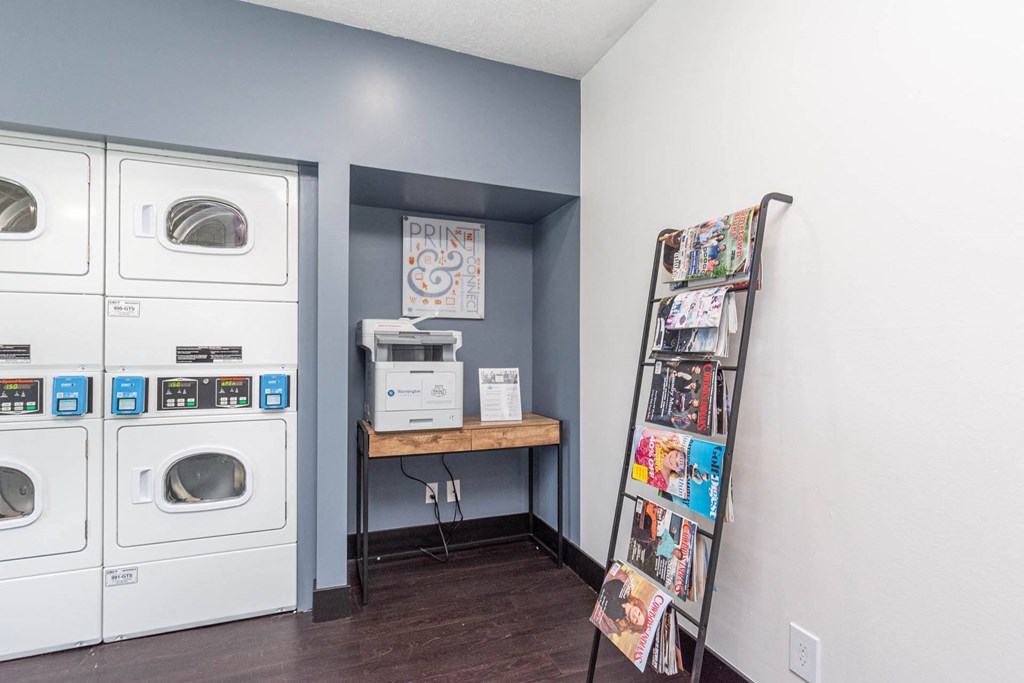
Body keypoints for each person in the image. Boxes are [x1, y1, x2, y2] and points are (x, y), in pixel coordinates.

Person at [592, 568, 649, 636]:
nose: (635, 615)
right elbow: (613, 571)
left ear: (633, 624)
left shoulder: (615, 625)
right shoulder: (627, 584)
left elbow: (597, 620)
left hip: (591, 596)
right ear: (639, 607)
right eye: (639, 613)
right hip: (598, 573)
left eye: (636, 621)